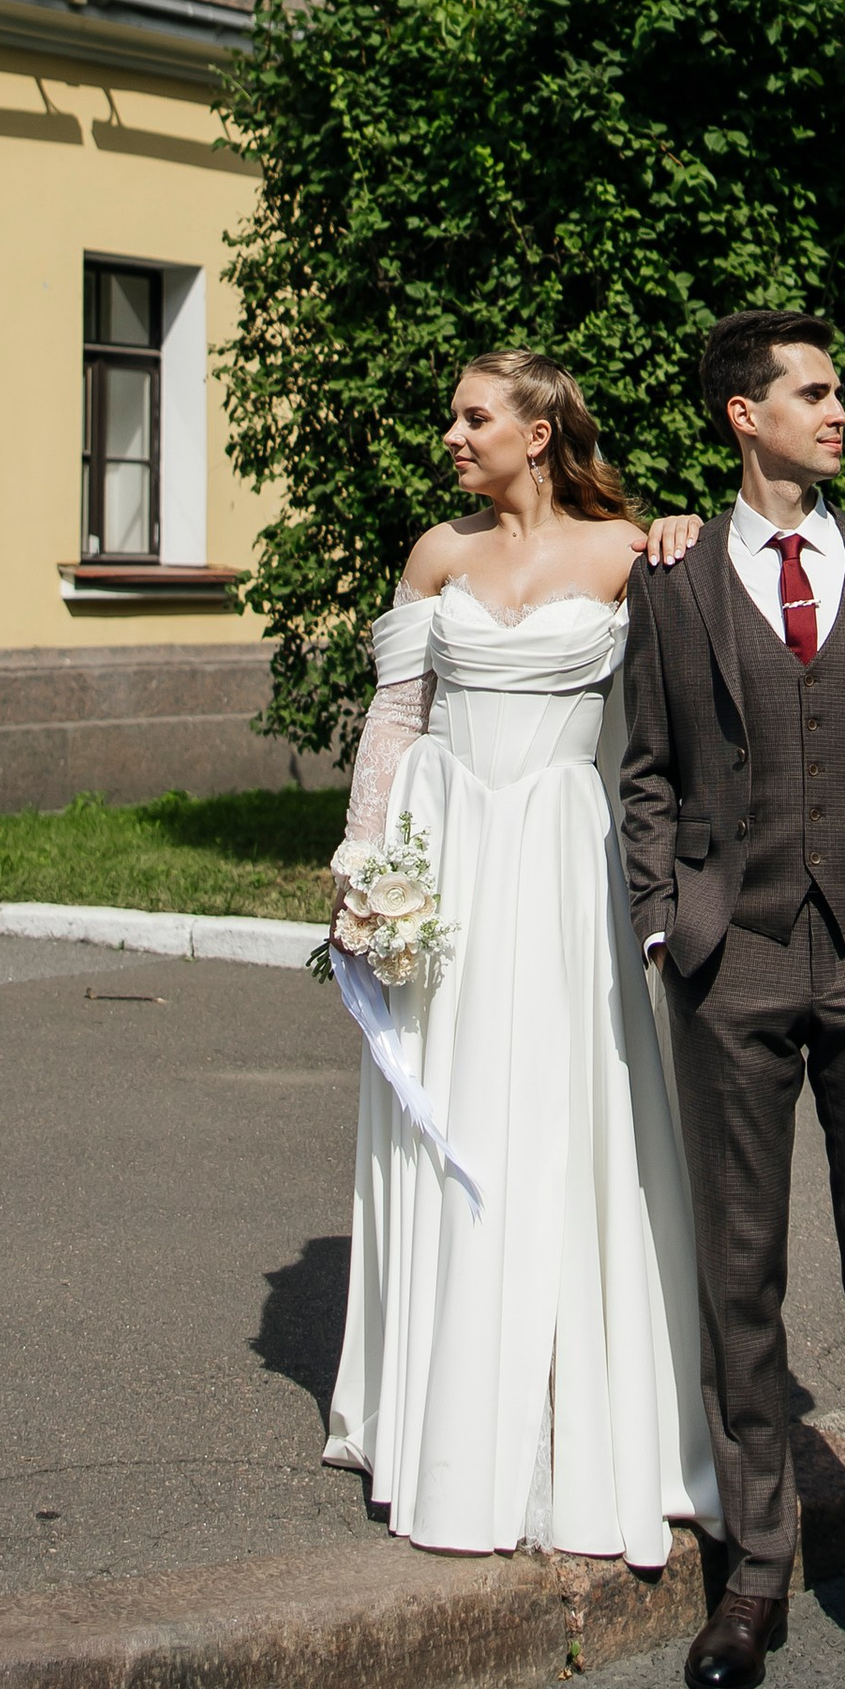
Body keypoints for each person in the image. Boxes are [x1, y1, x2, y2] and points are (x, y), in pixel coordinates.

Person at [623, 308, 845, 1689]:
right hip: (735, 960)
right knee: (741, 1275)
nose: (839, 411)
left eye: (837, 392)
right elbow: (645, 765)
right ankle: (756, 1571)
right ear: (743, 417)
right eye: (813, 393)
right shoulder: (675, 579)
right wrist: (669, 917)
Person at [323, 347, 720, 1562]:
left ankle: (573, 1403)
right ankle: (437, 1409)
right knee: (447, 1104)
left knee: (559, 1105)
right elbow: (397, 721)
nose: (451, 434)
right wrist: (364, 870)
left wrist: (694, 528)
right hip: (443, 857)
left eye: (472, 415)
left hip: (554, 857)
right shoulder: (438, 557)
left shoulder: (631, 554)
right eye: (453, 415)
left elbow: (683, 716)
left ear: (538, 433)